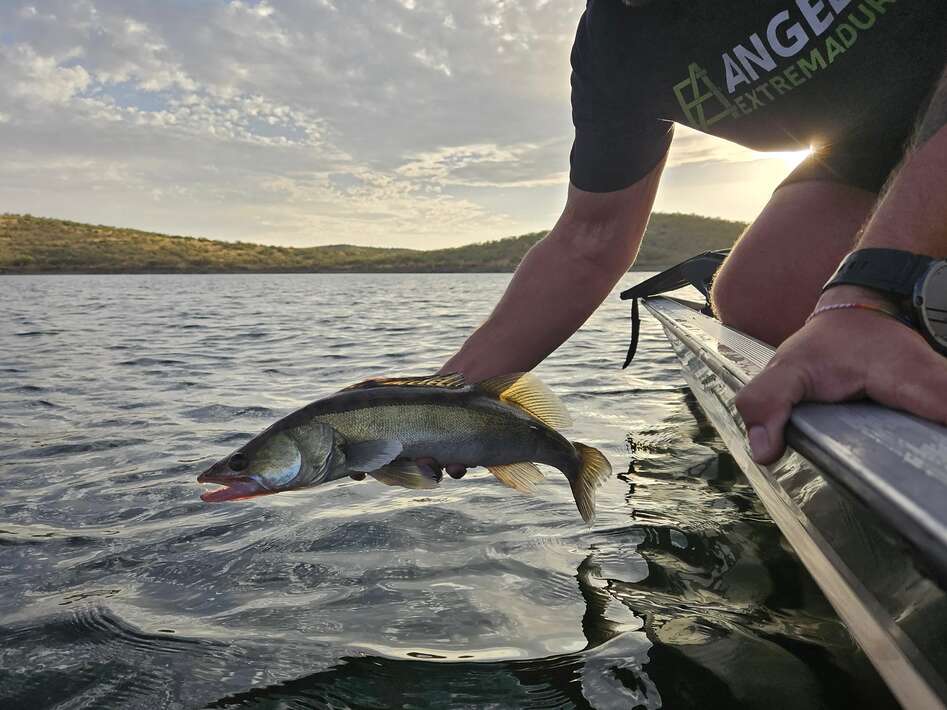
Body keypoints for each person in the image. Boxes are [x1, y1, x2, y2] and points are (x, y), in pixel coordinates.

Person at [424, 0, 947, 477]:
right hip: (867, 147)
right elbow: (591, 235)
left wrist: (868, 296)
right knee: (757, 296)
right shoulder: (615, 51)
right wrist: (437, 405)